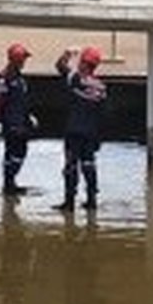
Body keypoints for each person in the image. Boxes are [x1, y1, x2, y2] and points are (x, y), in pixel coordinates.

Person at [53, 47, 108, 212]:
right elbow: (103, 114)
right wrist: (100, 136)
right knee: (89, 164)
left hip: (74, 130)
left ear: (84, 63)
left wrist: (67, 54)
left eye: (81, 61)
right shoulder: (101, 87)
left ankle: (69, 203)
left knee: (71, 165)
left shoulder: (75, 79)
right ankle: (92, 201)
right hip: (91, 132)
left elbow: (60, 66)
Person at [0, 44, 35, 196]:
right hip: (11, 121)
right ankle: (9, 184)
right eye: (23, 58)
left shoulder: (19, 76)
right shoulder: (5, 77)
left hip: (20, 119)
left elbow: (22, 99)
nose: (25, 61)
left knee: (15, 152)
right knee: (16, 151)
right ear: (17, 59)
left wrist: (29, 115)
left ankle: (10, 183)